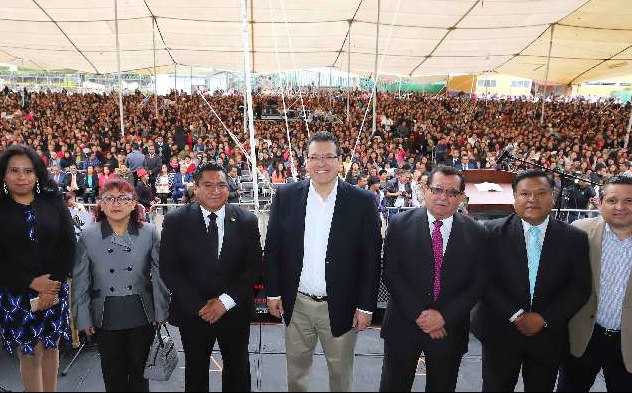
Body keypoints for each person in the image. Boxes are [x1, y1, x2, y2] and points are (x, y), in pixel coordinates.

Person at [265, 131, 382, 392]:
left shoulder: (362, 202)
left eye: (329, 156)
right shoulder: (286, 196)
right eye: (315, 157)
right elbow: (273, 249)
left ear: (340, 161)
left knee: (340, 375)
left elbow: (371, 259)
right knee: (296, 374)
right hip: (298, 304)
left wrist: (365, 306)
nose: (321, 163)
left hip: (342, 304)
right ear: (305, 161)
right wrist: (272, 292)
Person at [471, 170, 591, 392]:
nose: (532, 200)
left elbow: (579, 287)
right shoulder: (490, 232)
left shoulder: (574, 238)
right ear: (514, 198)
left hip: (548, 335)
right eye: (525, 193)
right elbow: (482, 280)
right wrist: (517, 316)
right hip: (500, 331)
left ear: (552, 198)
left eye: (541, 193)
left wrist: (543, 318)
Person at [380, 166, 487, 392]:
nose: (442, 197)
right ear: (425, 190)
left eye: (451, 192)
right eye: (437, 189)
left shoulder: (477, 233)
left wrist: (443, 317)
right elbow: (391, 273)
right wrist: (421, 316)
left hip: (449, 329)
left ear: (461, 198)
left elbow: (477, 284)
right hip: (403, 325)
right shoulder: (400, 224)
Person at [0, 144, 75, 393]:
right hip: (16, 294)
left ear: (37, 174)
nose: (22, 177)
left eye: (28, 171)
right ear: (3, 175)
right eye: (15, 171)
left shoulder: (54, 202)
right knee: (29, 354)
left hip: (54, 291)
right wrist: (32, 283)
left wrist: (51, 287)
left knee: (51, 347)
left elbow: (69, 247)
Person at [160, 162, 262, 392]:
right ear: (195, 188)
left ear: (229, 188)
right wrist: (200, 306)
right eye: (208, 185)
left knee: (237, 370)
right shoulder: (175, 221)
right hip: (194, 313)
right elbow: (169, 269)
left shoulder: (247, 220)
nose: (216, 190)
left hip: (234, 311)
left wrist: (224, 303)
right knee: (195, 372)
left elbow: (253, 267)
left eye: (221, 185)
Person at [559, 176, 632, 392]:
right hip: (583, 336)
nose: (620, 207)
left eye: (630, 201)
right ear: (599, 202)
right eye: (612, 200)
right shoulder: (579, 231)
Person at [72, 178, 169, 392]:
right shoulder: (88, 235)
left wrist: (161, 312)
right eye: (109, 198)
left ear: (134, 203)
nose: (116, 204)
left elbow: (160, 275)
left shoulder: (149, 232)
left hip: (141, 313)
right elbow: (80, 281)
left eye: (123, 198)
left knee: (139, 376)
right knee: (112, 375)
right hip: (105, 314)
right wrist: (84, 317)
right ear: (101, 204)